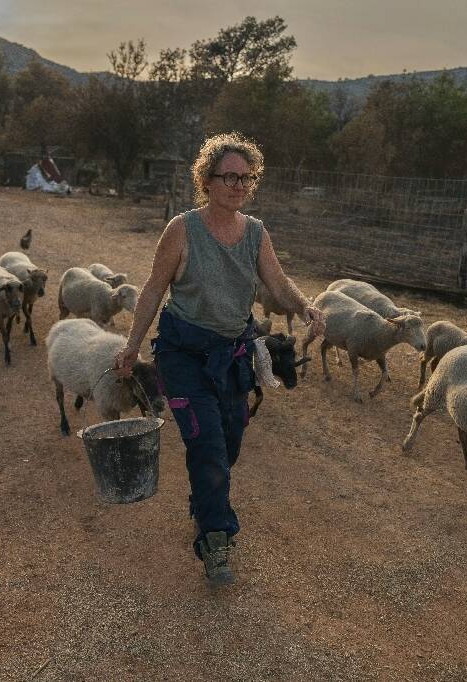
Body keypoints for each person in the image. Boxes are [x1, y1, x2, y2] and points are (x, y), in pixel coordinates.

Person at [114, 132, 325, 585]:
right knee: (207, 445)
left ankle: (203, 499)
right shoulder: (182, 229)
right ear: (206, 181)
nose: (238, 185)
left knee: (228, 442)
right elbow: (154, 287)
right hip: (183, 354)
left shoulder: (254, 233)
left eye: (246, 178)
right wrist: (133, 343)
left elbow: (278, 281)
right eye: (229, 176)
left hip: (232, 355)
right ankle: (215, 539)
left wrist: (305, 305)